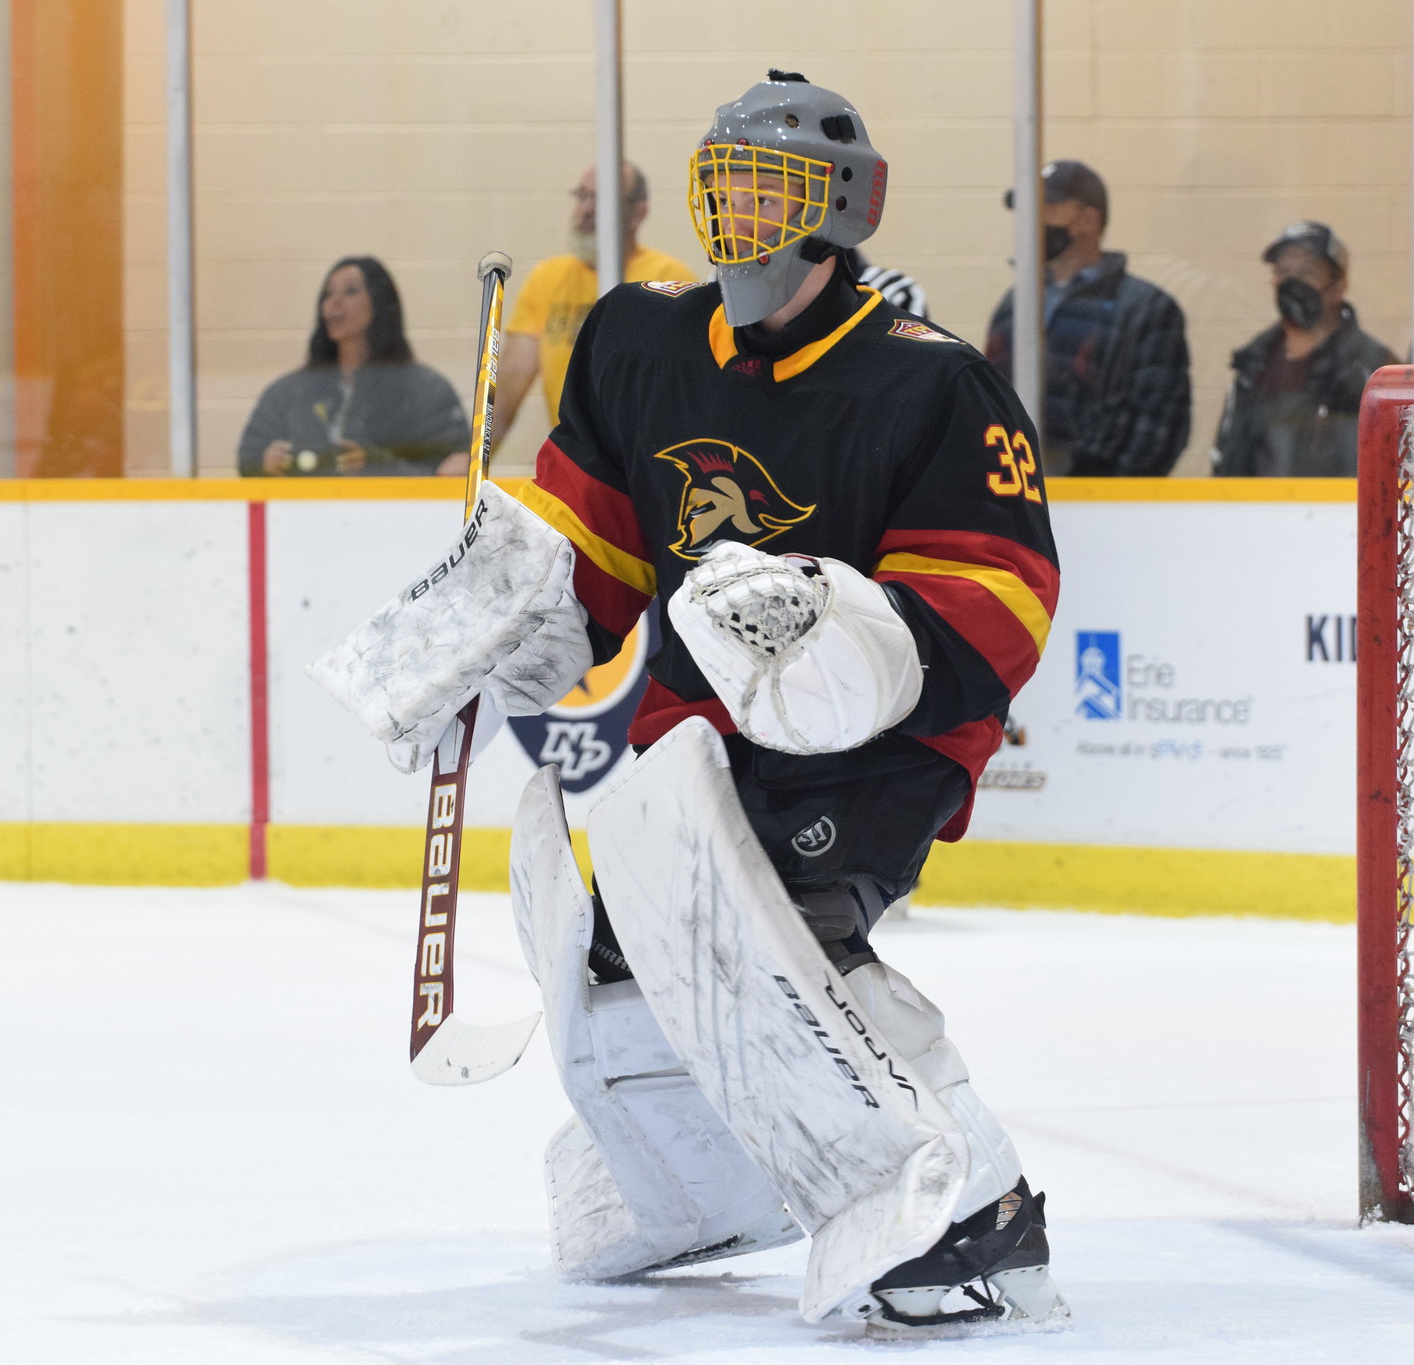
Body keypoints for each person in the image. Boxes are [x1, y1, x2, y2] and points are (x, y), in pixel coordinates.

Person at [311, 71, 1065, 1338]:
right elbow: (591, 551)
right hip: (688, 725)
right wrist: (494, 620)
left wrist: (833, 633)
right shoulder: (638, 340)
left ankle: (969, 1213)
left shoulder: (933, 384)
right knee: (610, 936)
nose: (740, 217)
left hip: (877, 745)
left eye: (772, 191)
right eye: (725, 187)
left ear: (839, 209)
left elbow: (1000, 600)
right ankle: (696, 1186)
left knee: (783, 932)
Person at [984, 160, 1191, 476]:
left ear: (1088, 220)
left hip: (1101, 496)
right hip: (1020, 489)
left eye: (1046, 209)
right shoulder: (1017, 302)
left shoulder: (1146, 308)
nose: (1031, 222)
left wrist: (1110, 494)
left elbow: (1160, 424)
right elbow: (988, 400)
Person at [490, 162, 698, 449]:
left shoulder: (667, 279)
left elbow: (683, 390)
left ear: (638, 213)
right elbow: (512, 380)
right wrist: (474, 458)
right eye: (582, 196)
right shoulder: (547, 278)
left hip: (644, 455)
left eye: (602, 199)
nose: (586, 210)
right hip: (574, 458)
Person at [236, 257, 469, 477]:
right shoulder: (290, 391)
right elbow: (249, 457)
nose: (334, 302)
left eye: (351, 291)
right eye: (328, 293)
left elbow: (455, 469)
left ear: (380, 302)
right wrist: (265, 463)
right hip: (306, 507)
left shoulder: (424, 390)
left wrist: (377, 467)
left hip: (389, 507)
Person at [1212, 222, 1397, 477]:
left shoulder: (1373, 370)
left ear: (1339, 286)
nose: (1292, 283)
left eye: (1307, 272)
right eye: (1283, 271)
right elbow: (1227, 464)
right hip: (1257, 503)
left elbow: (1387, 470)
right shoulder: (1252, 365)